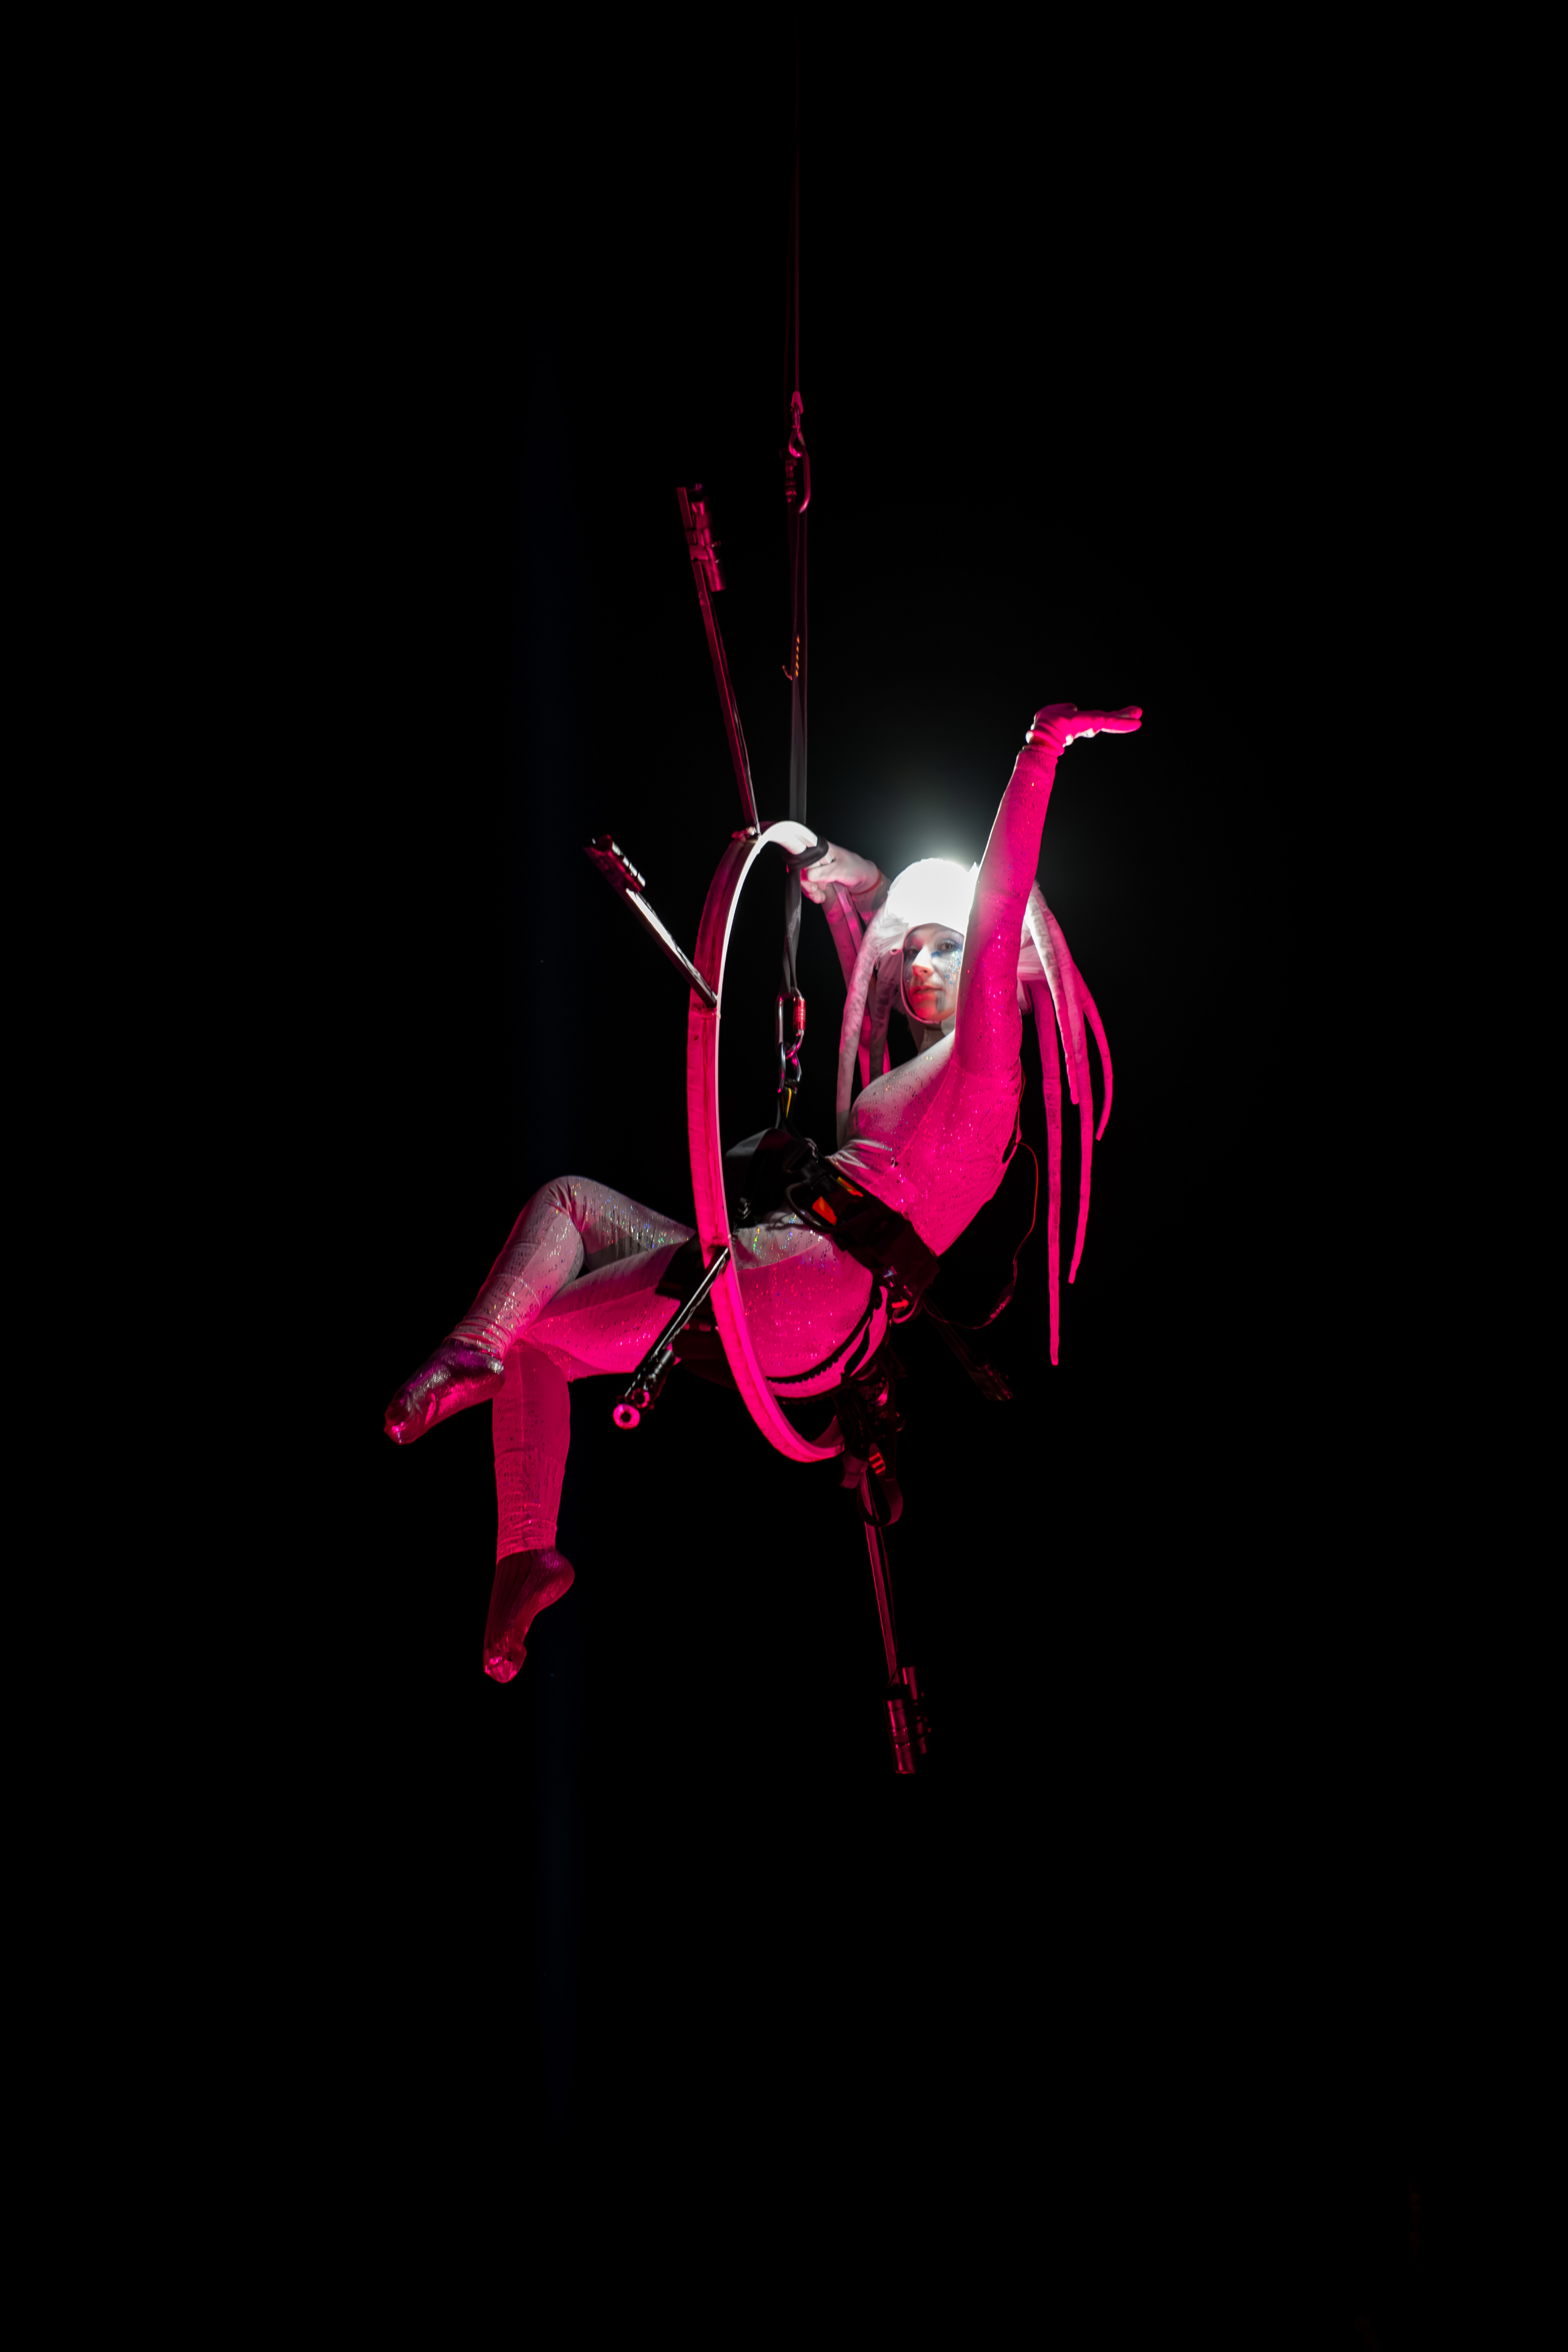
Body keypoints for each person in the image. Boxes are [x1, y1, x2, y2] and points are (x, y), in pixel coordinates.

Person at [384, 702, 1140, 1679]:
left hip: (800, 1285)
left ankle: (482, 1388)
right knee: (567, 1208)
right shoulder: (921, 1085)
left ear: (1000, 978)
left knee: (536, 1337)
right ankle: (521, 1538)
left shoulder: (987, 1077)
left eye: (944, 948)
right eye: (912, 948)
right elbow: (864, 920)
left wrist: (1040, 751)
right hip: (798, 1292)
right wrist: (835, 868)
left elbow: (996, 914)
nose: (921, 962)